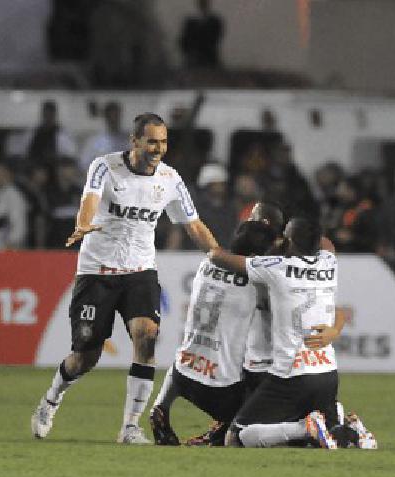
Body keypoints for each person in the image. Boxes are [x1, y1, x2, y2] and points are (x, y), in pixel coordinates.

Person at [31, 113, 220, 444]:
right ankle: (51, 399)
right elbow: (89, 200)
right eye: (151, 141)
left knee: (146, 336)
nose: (158, 148)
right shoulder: (105, 166)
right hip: (97, 272)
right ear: (134, 141)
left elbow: (192, 224)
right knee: (84, 357)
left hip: (139, 272)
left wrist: (219, 255)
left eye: (163, 142)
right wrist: (83, 223)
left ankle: (130, 427)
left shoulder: (170, 179)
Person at [207, 218, 344, 449]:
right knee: (324, 438)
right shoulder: (328, 261)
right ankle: (343, 426)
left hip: (291, 375)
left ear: (288, 241)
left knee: (236, 437)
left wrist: (275, 245)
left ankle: (304, 428)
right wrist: (334, 331)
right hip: (327, 373)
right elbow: (327, 243)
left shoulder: (275, 267)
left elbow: (217, 258)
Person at [147, 220, 277, 446]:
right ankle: (220, 431)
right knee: (264, 417)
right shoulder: (258, 282)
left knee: (188, 353)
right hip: (220, 387)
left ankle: (161, 407)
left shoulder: (206, 264)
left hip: (183, 375)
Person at [79, 101, 130, 173]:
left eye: (116, 116)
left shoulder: (128, 141)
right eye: (111, 116)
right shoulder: (94, 141)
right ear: (106, 117)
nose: (113, 119)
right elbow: (83, 164)